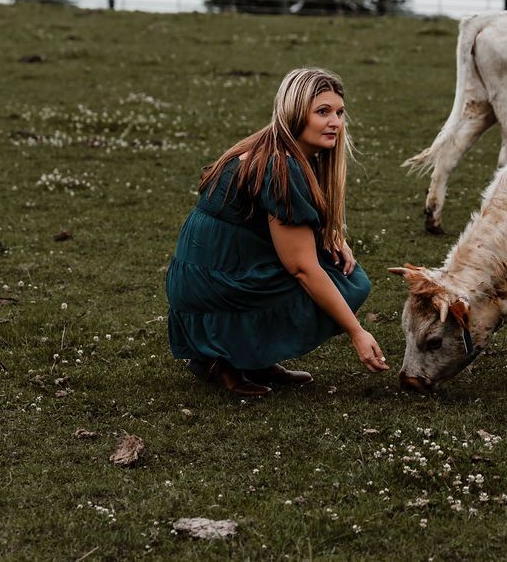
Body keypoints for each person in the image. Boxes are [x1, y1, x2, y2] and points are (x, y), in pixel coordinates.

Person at [165, 67, 388, 397]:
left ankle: (253, 359)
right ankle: (219, 359)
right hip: (212, 285)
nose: (335, 123)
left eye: (340, 113)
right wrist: (357, 332)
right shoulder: (280, 165)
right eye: (322, 112)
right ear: (295, 113)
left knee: (335, 267)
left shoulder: (274, 148)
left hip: (205, 277)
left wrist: (333, 237)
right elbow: (301, 268)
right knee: (348, 282)